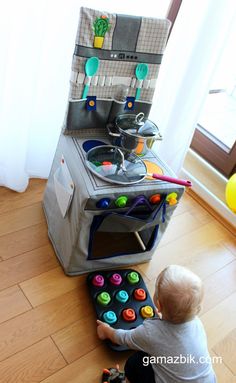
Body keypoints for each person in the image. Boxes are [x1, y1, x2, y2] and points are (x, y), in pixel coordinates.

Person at [97, 265, 217, 383]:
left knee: (135, 362)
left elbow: (124, 338)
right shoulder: (197, 323)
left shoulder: (151, 332)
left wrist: (106, 331)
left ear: (158, 305)